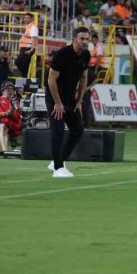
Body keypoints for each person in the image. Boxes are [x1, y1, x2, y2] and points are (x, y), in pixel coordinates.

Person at [46, 27, 91, 178]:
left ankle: (57, 161)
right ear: (74, 39)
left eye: (87, 39)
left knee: (78, 129)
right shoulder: (62, 55)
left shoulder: (86, 55)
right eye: (82, 39)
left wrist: (79, 100)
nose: (85, 42)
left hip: (70, 97)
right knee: (57, 131)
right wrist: (57, 103)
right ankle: (58, 168)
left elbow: (84, 77)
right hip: (55, 96)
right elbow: (51, 80)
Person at [0, 80, 22, 155]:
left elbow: (18, 115)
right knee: (4, 126)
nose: (10, 91)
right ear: (3, 90)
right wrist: (5, 113)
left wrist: (15, 108)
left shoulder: (15, 102)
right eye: (8, 89)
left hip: (13, 123)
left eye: (12, 89)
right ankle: (5, 151)